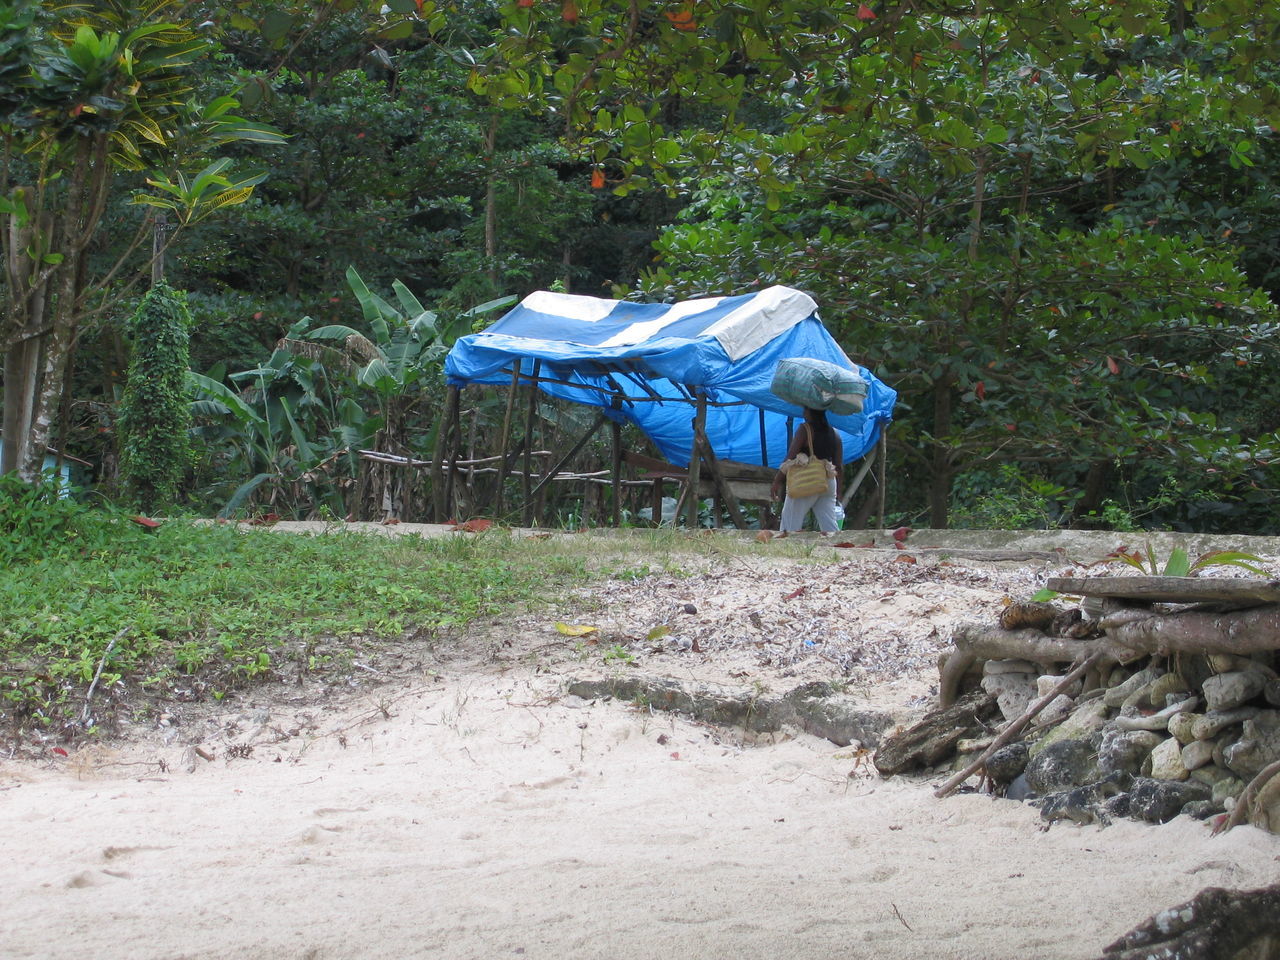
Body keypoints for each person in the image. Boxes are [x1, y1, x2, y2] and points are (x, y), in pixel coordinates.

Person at [770, 407, 843, 534]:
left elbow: (790, 458)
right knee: (830, 526)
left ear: (810, 412)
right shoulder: (834, 433)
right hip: (829, 481)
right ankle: (839, 551)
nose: (803, 413)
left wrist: (777, 481)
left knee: (790, 524)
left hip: (807, 479)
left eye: (805, 410)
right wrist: (839, 492)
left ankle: (787, 551)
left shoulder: (805, 429)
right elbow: (839, 466)